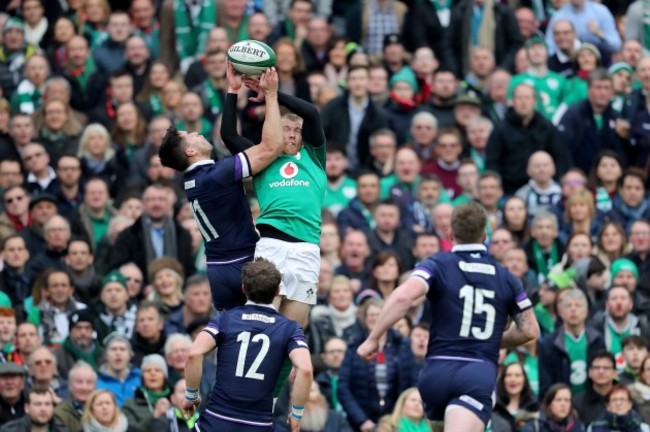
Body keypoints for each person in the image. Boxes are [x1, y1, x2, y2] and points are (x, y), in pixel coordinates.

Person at [357, 201, 540, 432]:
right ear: (484, 234)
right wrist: (489, 339)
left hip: (436, 374)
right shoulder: (506, 277)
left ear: (451, 233)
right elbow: (530, 330)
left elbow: (403, 297)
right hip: (475, 373)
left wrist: (373, 338)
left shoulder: (436, 264)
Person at [158, 66, 283, 311]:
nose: (196, 132)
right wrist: (271, 95)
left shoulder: (194, 180)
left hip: (217, 269)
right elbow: (272, 146)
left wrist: (232, 92)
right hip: (242, 264)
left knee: (232, 339)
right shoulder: (218, 175)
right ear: (190, 152)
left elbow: (228, 137)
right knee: (269, 328)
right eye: (190, 135)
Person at [221, 64, 327, 329]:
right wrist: (233, 92)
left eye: (296, 130)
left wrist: (272, 93)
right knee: (263, 325)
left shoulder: (314, 157)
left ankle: (284, 373)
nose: (290, 134)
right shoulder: (263, 158)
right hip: (271, 247)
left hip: (306, 249)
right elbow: (229, 135)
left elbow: (311, 113)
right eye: (284, 128)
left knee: (294, 330)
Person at [182, 258, 313, 432]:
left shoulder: (226, 319)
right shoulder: (290, 328)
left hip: (217, 419)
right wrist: (296, 414)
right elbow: (305, 369)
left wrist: (191, 395)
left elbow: (194, 354)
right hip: (258, 424)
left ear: (243, 288)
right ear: (277, 291)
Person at [0, 387, 65, 432]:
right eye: (38, 404)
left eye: (47, 404)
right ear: (27, 408)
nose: (43, 409)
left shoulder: (62, 430)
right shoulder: (9, 430)